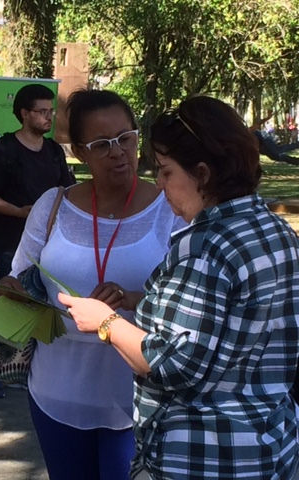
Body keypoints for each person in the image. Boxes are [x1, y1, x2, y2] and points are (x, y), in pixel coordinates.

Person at [59, 95, 299, 479]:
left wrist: (105, 322)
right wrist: (145, 302)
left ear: (202, 174)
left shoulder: (204, 248)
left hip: (203, 455)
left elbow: (169, 364)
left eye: (167, 172)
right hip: (269, 443)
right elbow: (234, 319)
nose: (160, 185)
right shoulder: (275, 231)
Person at [0, 89, 186, 479]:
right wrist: (12, 291)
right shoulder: (52, 205)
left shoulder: (172, 210)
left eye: (125, 138)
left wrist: (134, 300)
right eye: (101, 144)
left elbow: (190, 300)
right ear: (80, 152)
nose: (118, 152)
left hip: (138, 398)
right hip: (55, 391)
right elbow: (20, 279)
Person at [0, 83, 75, 398]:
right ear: (24, 114)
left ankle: (32, 369)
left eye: (50, 111)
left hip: (51, 243)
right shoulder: (5, 149)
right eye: (42, 112)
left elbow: (68, 192)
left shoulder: (54, 151)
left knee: (49, 305)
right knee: (10, 304)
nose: (48, 117)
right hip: (11, 240)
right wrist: (21, 212)